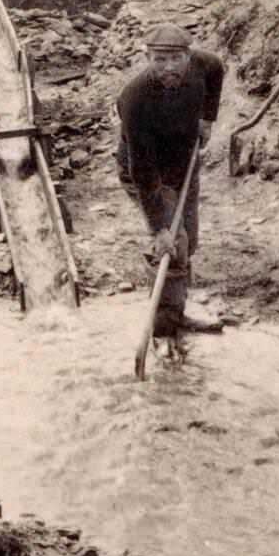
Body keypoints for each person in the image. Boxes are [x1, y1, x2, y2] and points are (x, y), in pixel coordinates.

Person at [115, 23, 224, 347]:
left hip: (184, 164)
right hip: (148, 173)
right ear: (147, 57)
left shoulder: (201, 65)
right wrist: (159, 226)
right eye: (159, 60)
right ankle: (164, 327)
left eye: (175, 58)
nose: (168, 67)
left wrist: (207, 118)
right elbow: (143, 172)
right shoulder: (135, 98)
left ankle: (176, 315)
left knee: (189, 241)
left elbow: (217, 69)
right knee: (172, 241)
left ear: (187, 56)